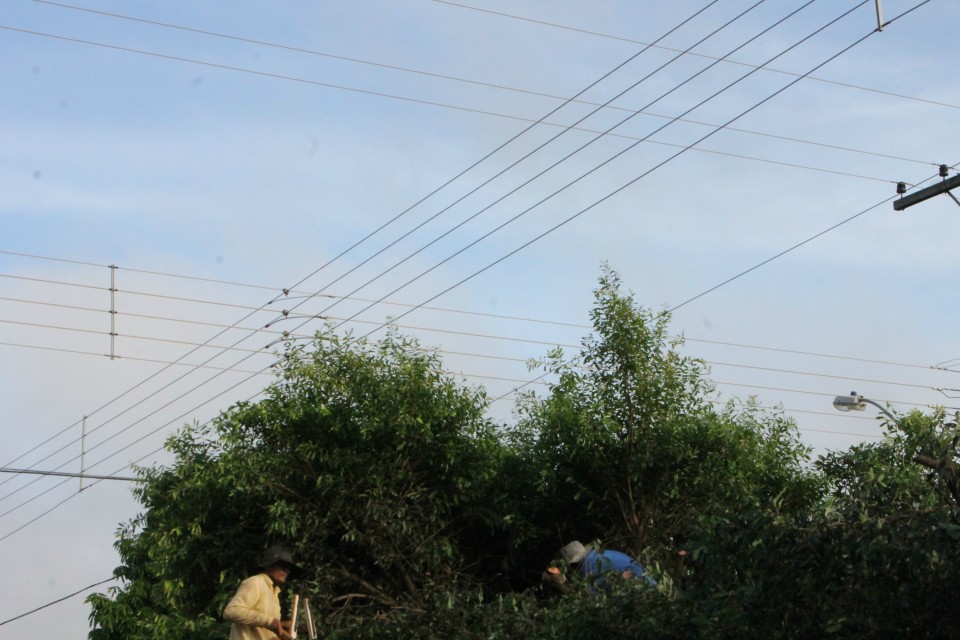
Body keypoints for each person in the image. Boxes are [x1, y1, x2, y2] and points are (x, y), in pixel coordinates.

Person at [223, 545, 304, 640]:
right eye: (282, 566)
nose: (287, 570)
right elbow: (231, 612)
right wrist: (269, 621)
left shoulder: (274, 592)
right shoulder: (255, 582)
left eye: (288, 568)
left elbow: (263, 628)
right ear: (269, 566)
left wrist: (281, 626)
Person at [543, 540, 655, 594]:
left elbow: (588, 599)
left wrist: (560, 585)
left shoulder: (589, 567)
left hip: (642, 590)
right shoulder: (598, 554)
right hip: (649, 584)